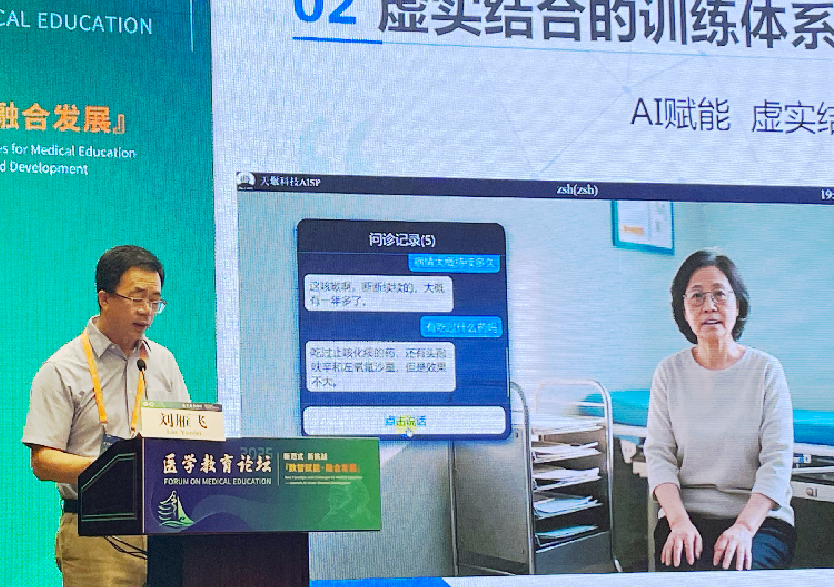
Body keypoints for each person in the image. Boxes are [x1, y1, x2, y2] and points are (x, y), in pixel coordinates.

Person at [22, 245, 190, 587]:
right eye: (137, 298)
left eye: (155, 301)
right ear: (104, 299)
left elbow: (187, 435)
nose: (146, 311)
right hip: (96, 533)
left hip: (165, 529)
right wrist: (112, 469)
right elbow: (43, 461)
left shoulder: (163, 362)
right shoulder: (62, 369)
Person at [645, 250, 795, 572]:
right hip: (686, 517)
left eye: (719, 294)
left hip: (759, 520)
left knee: (737, 572)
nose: (709, 306)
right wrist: (678, 521)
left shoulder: (767, 370)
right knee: (687, 571)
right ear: (683, 310)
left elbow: (777, 461)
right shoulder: (668, 372)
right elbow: (659, 457)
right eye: (697, 296)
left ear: (737, 304)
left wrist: (743, 528)